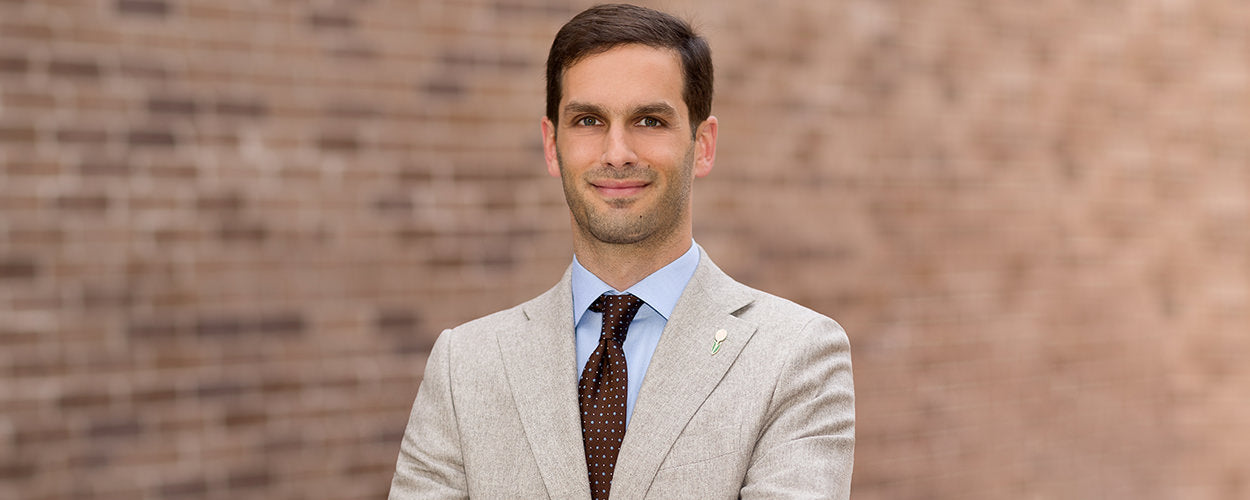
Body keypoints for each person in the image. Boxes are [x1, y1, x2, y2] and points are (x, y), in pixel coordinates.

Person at [389, 4, 854, 499]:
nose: (617, 152)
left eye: (649, 121)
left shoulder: (796, 356)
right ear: (552, 145)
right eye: (588, 120)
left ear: (703, 146)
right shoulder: (465, 366)